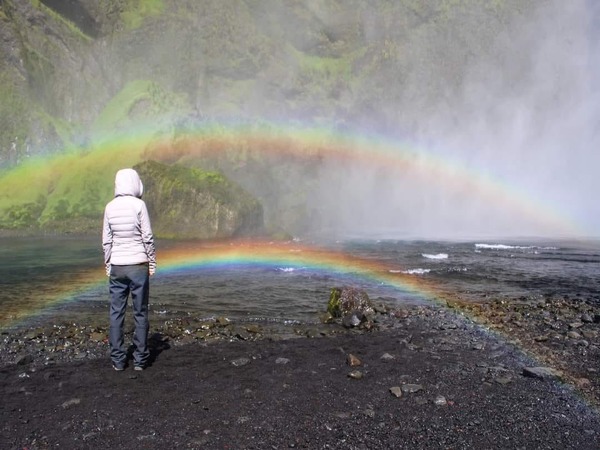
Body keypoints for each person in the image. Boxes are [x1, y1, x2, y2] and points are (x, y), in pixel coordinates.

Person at [102, 168, 156, 371]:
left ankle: (117, 361)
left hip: (117, 266)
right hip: (138, 266)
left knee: (116, 313)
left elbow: (107, 241)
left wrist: (108, 265)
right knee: (140, 312)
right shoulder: (139, 205)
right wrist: (152, 262)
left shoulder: (109, 207)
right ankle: (140, 361)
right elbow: (147, 238)